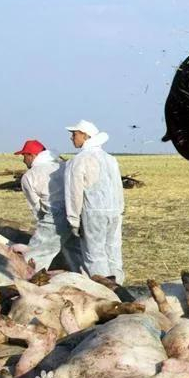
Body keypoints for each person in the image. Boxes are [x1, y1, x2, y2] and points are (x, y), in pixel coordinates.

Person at [65, 120, 125, 283]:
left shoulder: (79, 160)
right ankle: (118, 287)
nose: (71, 138)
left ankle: (104, 289)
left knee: (95, 254)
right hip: (114, 212)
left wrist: (73, 220)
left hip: (93, 213)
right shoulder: (110, 159)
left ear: (85, 135)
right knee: (113, 251)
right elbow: (118, 186)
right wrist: (120, 209)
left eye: (74, 134)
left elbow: (74, 193)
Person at [12, 140, 82, 271]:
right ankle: (86, 279)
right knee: (76, 252)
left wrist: (44, 225)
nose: (23, 160)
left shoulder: (29, 176)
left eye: (24, 156)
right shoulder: (63, 166)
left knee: (35, 256)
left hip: (54, 218)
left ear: (32, 155)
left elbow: (36, 206)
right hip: (76, 212)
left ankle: (31, 280)